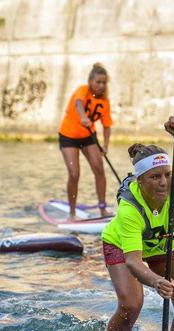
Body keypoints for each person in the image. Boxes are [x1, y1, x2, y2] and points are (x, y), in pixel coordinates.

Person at [100, 116, 174, 331]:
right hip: (122, 245)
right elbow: (133, 261)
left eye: (167, 174)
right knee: (131, 305)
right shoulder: (130, 209)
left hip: (167, 244)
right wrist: (156, 282)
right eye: (155, 177)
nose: (164, 182)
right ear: (140, 180)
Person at [58, 63, 114, 219]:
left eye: (104, 82)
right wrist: (83, 117)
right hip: (68, 136)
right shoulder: (83, 90)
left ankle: (103, 208)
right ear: (91, 81)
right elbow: (78, 103)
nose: (101, 85)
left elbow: (107, 126)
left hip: (89, 136)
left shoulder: (105, 101)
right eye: (98, 82)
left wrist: (105, 146)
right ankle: (72, 212)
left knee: (99, 169)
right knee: (74, 174)